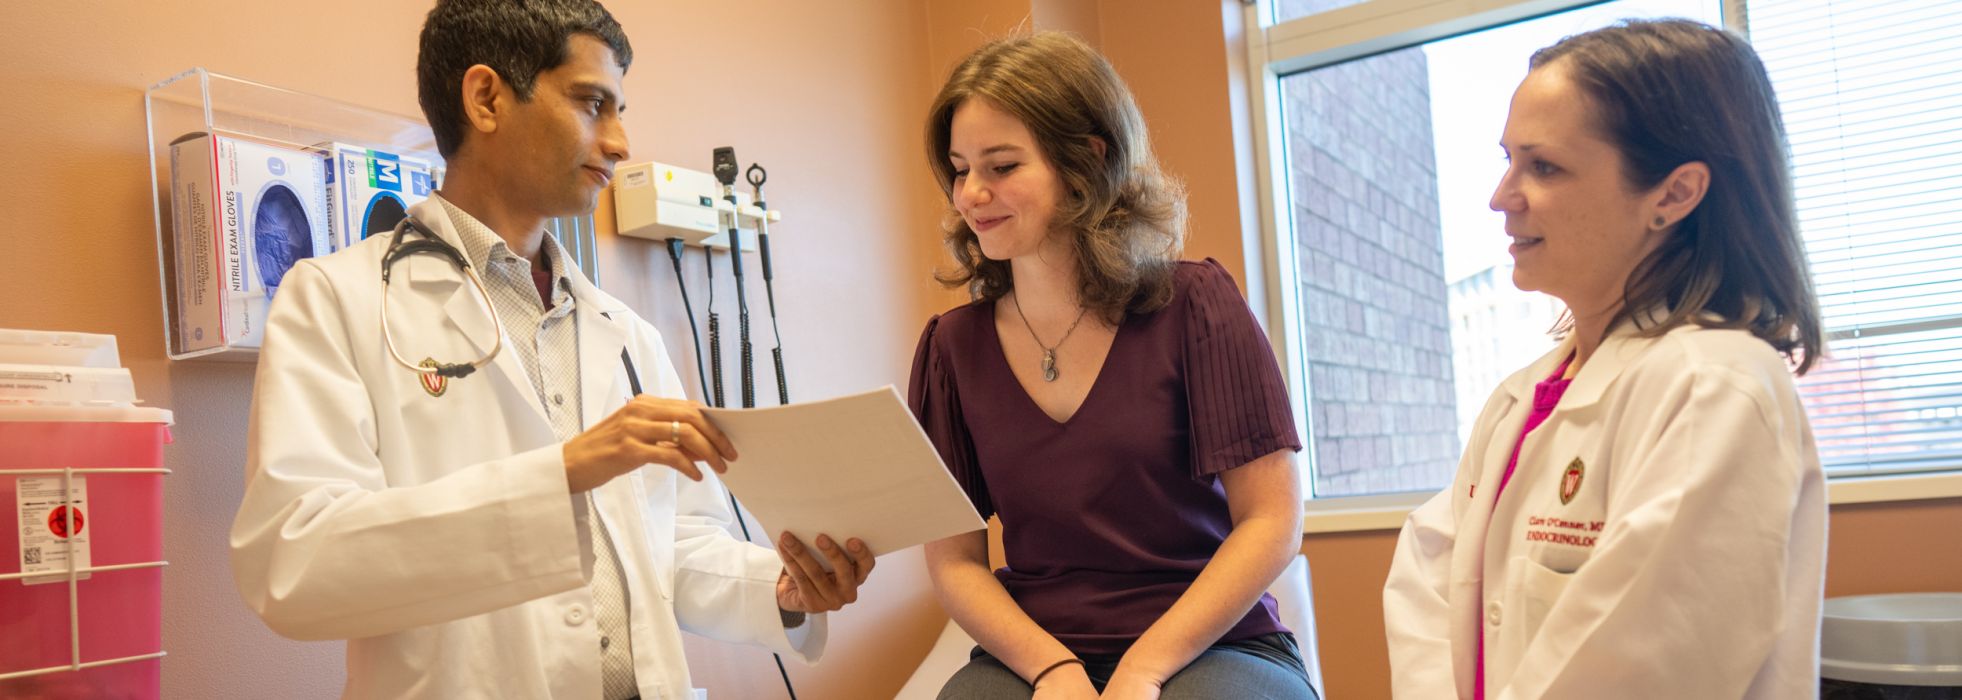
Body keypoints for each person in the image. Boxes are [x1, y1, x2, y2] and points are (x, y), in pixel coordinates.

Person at [228, 2, 874, 698]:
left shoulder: (624, 334)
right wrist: (563, 473)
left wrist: (780, 588)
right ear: (486, 98)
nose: (622, 141)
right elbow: (295, 567)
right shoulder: (335, 300)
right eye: (593, 104)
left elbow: (675, 545)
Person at [1382, 19, 1827, 699]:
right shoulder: (1522, 398)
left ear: (1674, 194)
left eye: (1545, 167)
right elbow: (1430, 578)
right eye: (1508, 161)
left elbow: (1640, 668)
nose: (1502, 197)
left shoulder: (1716, 388)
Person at [909, 32, 1319, 700]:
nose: (971, 194)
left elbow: (1272, 521)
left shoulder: (1196, 306)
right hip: (1035, 653)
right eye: (960, 169)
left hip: (1210, 644)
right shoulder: (952, 351)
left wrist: (1145, 667)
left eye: (1002, 166)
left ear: (1086, 162)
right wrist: (1053, 668)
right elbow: (954, 562)